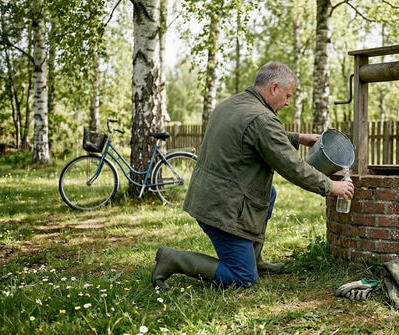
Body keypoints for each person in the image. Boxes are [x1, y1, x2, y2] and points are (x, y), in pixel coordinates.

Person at [151, 61, 354, 290]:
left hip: (207, 195)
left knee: (269, 193)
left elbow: (255, 134)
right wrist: (330, 186)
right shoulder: (262, 119)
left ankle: (254, 259)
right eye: (287, 96)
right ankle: (172, 259)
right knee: (243, 277)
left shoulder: (234, 103)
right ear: (274, 88)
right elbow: (292, 165)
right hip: (222, 208)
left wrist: (298, 138)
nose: (287, 102)